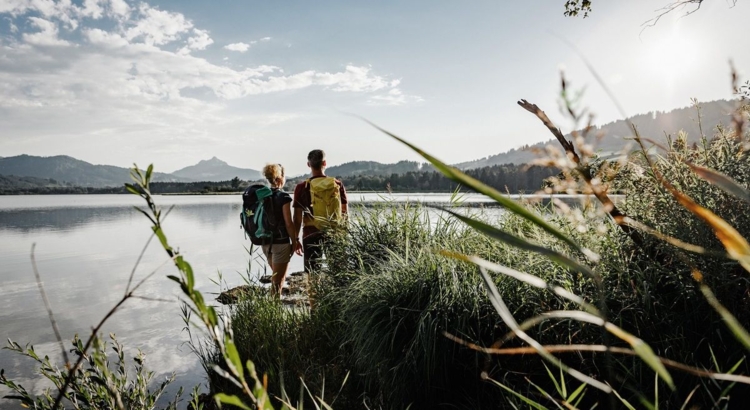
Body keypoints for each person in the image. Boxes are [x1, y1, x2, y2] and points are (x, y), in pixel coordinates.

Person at [292, 149, 348, 274]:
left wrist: (295, 239)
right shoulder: (337, 184)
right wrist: (344, 236)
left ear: (308, 165)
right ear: (325, 163)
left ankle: (313, 293)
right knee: (338, 272)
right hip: (334, 233)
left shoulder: (302, 187)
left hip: (310, 234)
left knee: (312, 273)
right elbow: (344, 213)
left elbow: (297, 218)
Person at [260, 163, 302, 298]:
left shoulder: (262, 196)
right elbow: (289, 223)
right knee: (277, 282)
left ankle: (273, 310)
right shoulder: (283, 197)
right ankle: (272, 313)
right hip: (280, 243)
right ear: (279, 178)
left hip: (265, 243)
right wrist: (295, 240)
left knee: (277, 278)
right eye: (284, 176)